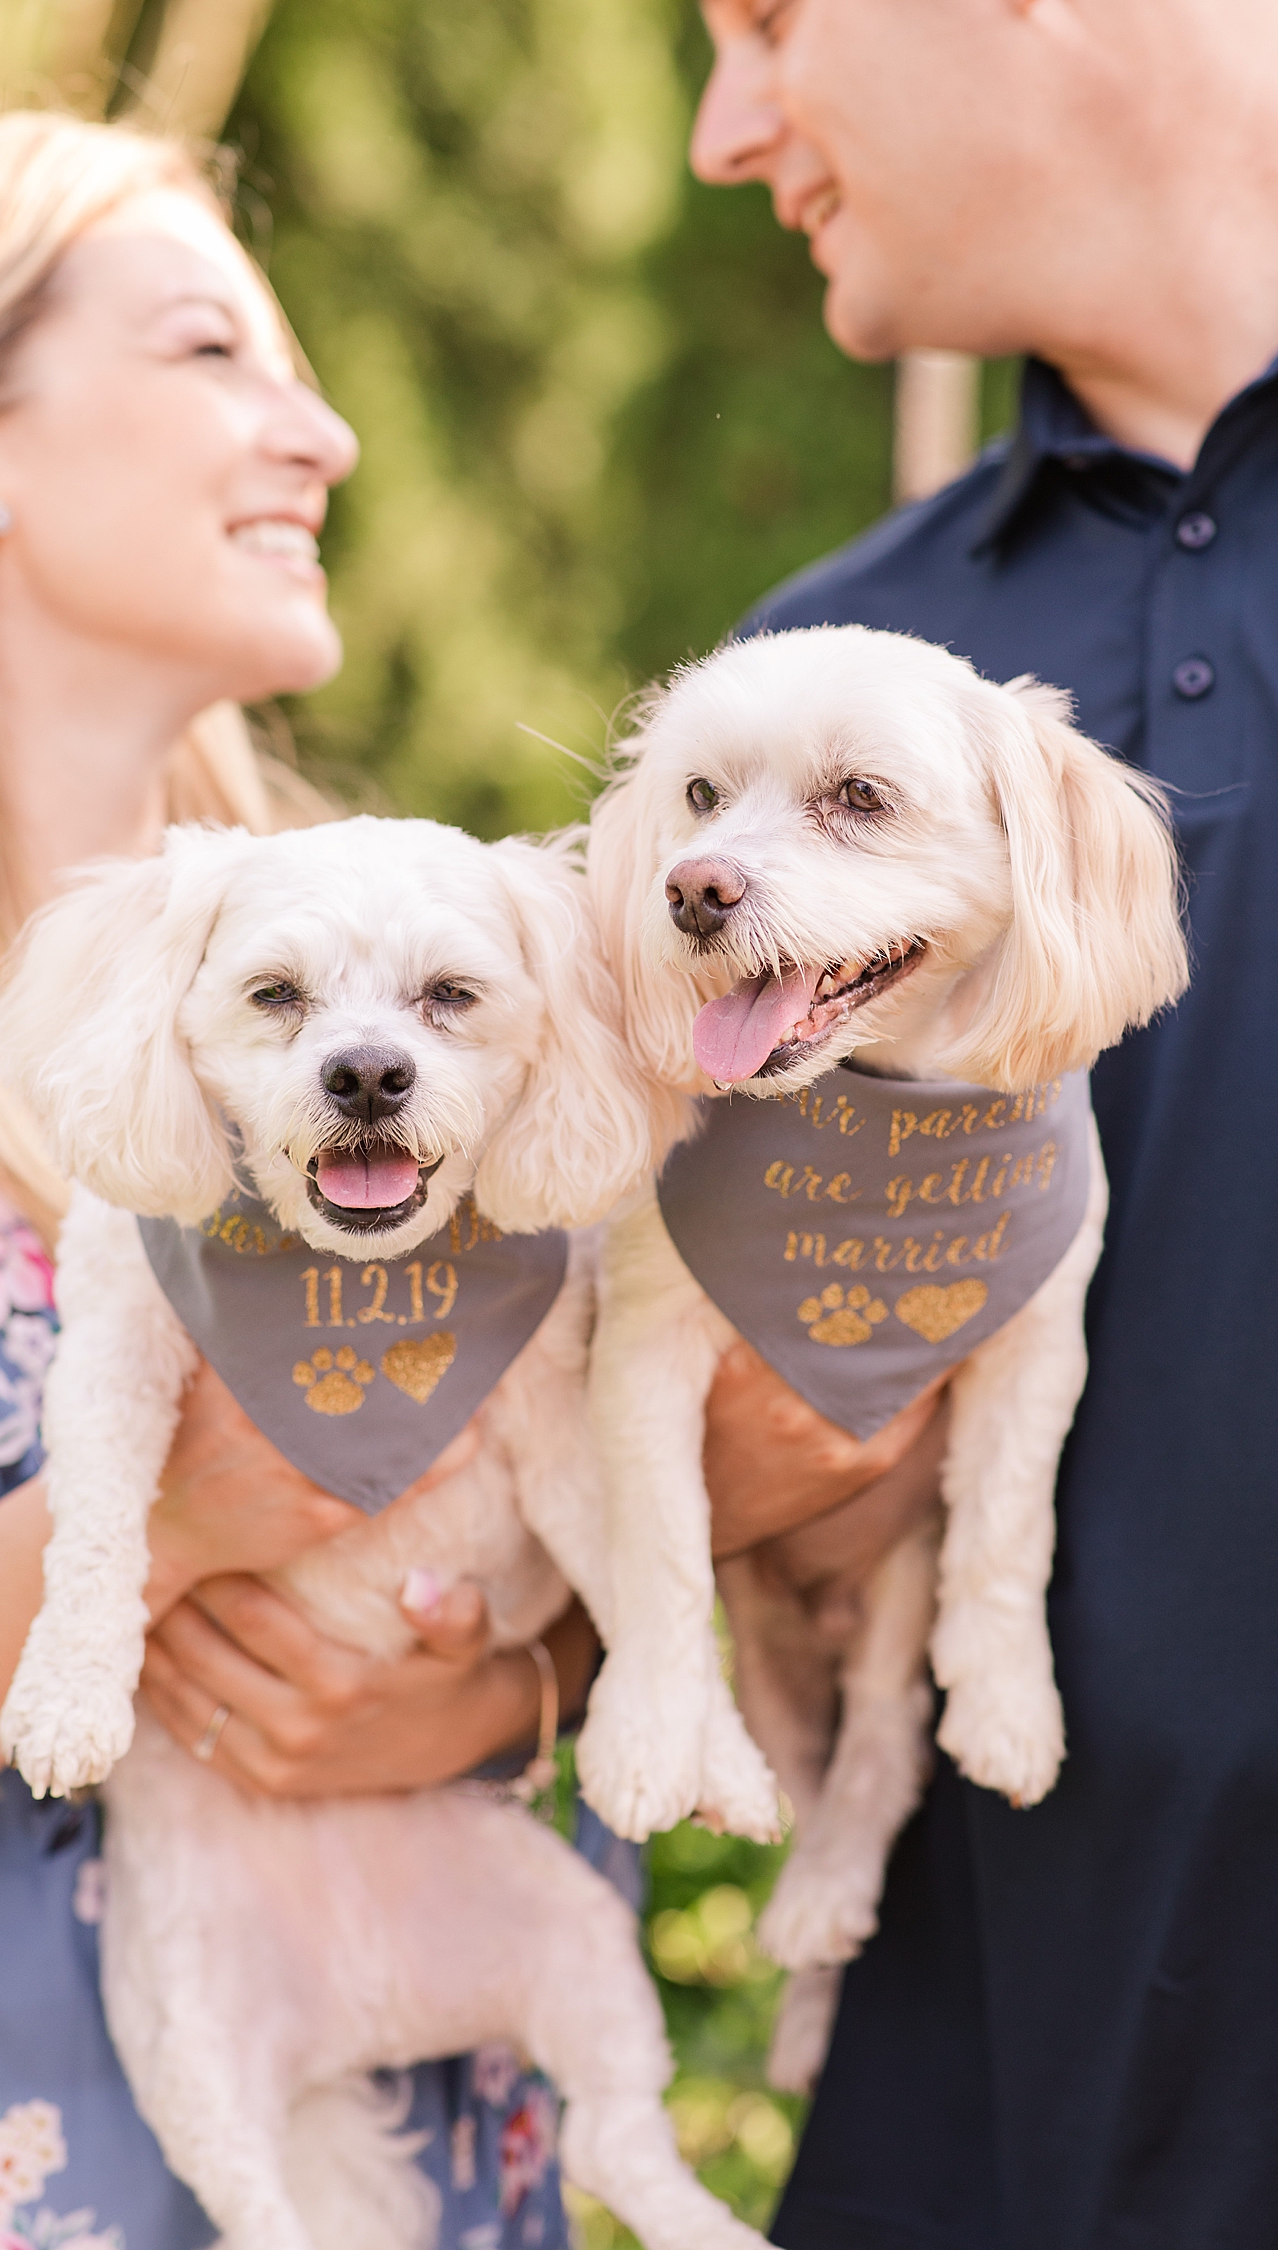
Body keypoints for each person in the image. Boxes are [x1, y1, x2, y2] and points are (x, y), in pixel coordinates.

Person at [0, 111, 598, 2248]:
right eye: (216, 354)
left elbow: (583, 1517)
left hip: (421, 2163)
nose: (316, 433)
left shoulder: (405, 1006)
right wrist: (183, 1510)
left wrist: (501, 1688)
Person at [685, 2, 1278, 2244]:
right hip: (997, 2102)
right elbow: (671, 1406)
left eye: (760, 22)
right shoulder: (821, 697)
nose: (733, 132)